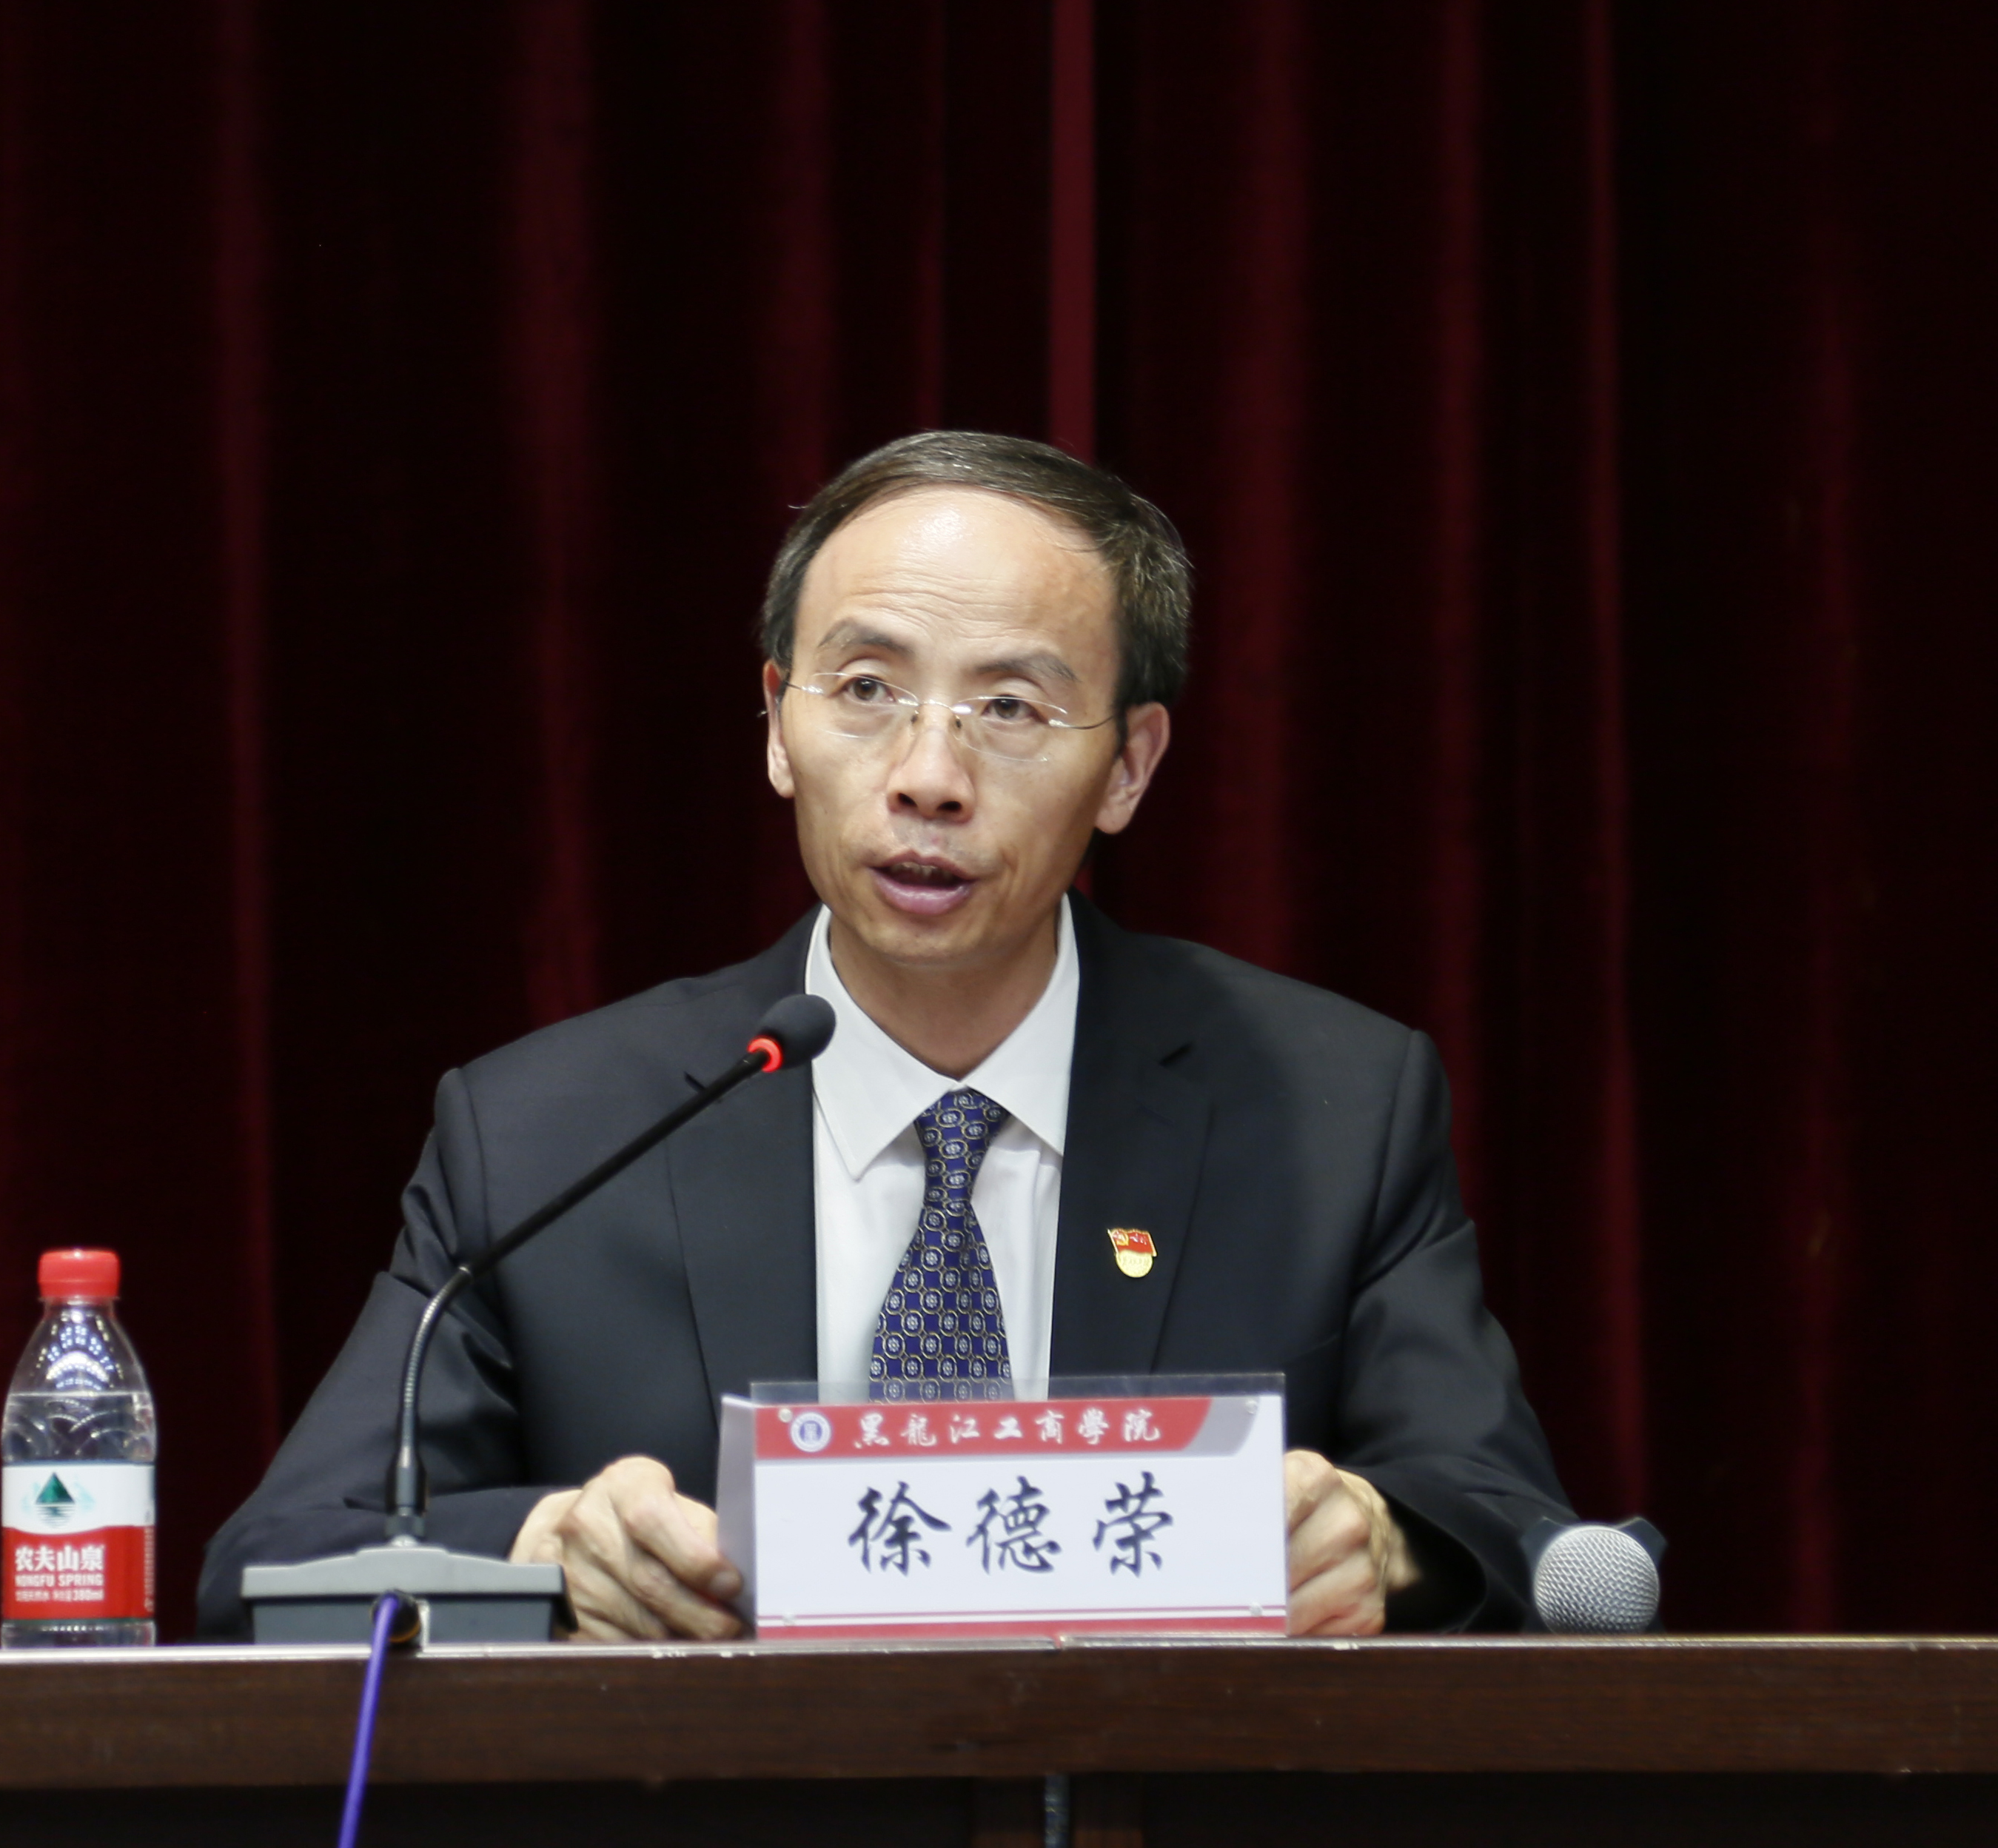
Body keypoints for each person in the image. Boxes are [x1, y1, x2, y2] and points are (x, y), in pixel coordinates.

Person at [198, 432, 1572, 1641]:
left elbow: (1520, 1531)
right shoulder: (550, 1134)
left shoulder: (1331, 1108)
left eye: (1011, 709)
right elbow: (272, 1564)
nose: (928, 777)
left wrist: (1386, 1545)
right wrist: (541, 1552)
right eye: (865, 689)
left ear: (1130, 765)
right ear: (777, 725)